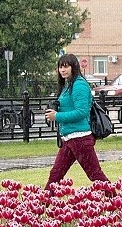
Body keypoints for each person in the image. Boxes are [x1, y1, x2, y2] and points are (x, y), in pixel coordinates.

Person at [44, 54, 110, 188]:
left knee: (95, 175)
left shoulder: (79, 84)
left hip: (80, 138)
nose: (62, 70)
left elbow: (81, 112)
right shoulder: (68, 85)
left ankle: (117, 202)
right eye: (60, 67)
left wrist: (57, 116)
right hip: (68, 138)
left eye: (66, 66)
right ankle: (41, 206)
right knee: (56, 174)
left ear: (74, 67)